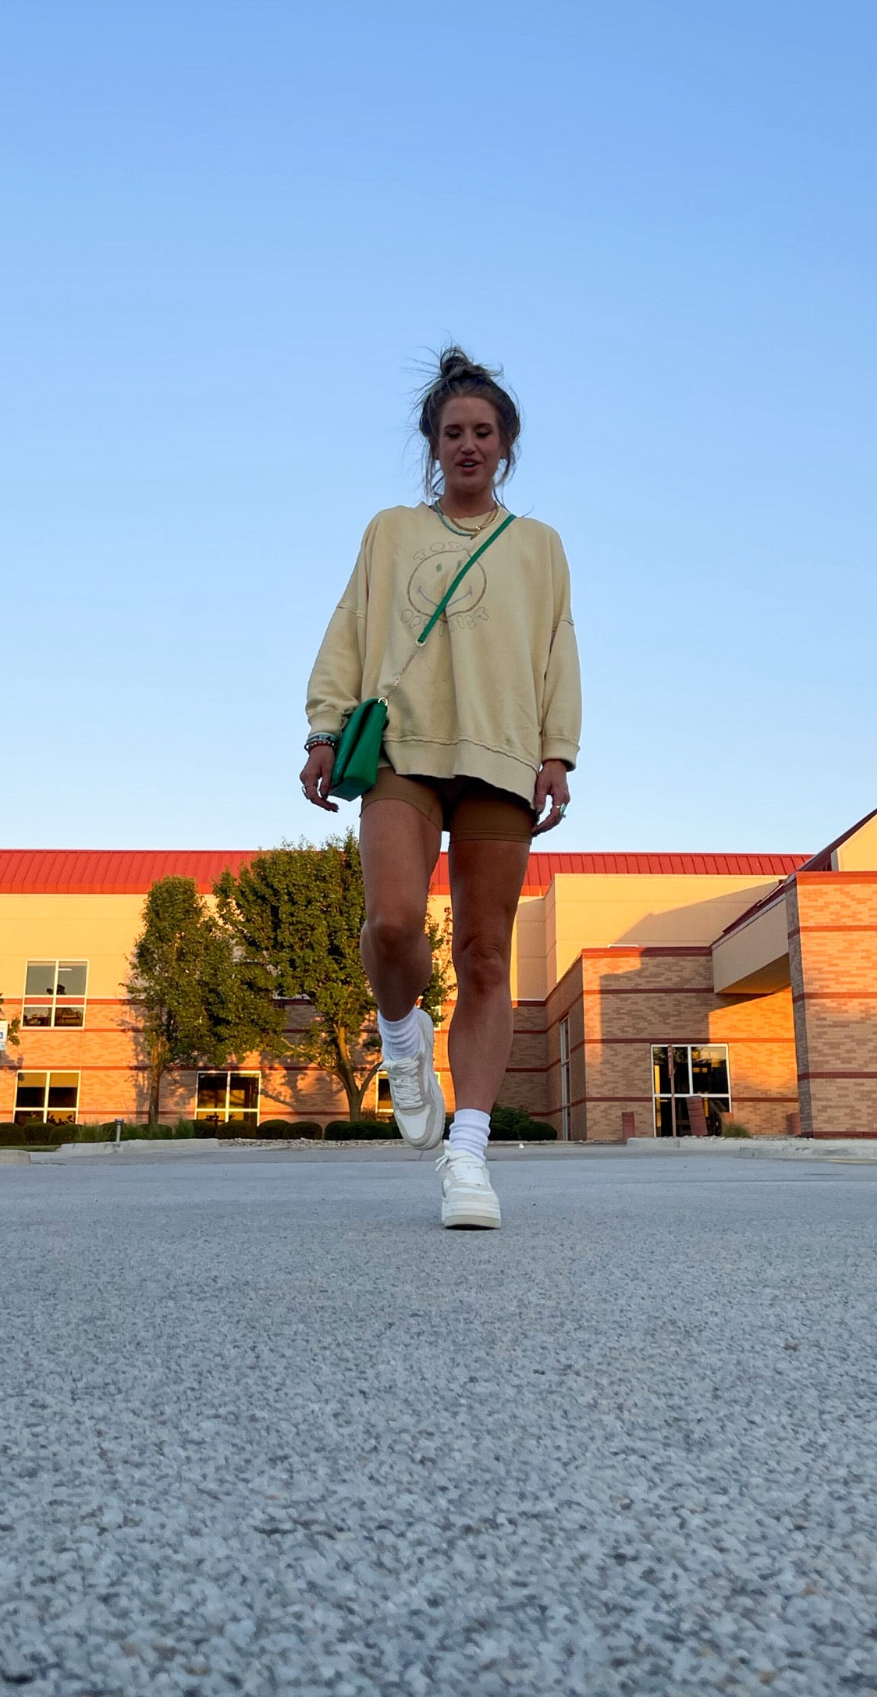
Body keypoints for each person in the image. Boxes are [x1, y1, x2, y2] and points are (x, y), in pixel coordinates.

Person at [300, 348, 581, 1228]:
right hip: (403, 748)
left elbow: (557, 649)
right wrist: (320, 725)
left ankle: (468, 1156)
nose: (468, 445)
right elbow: (349, 625)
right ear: (433, 445)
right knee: (390, 923)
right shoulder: (391, 531)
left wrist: (559, 752)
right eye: (453, 432)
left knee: (487, 957)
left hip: (501, 755)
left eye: (483, 432)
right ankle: (400, 1033)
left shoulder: (540, 545)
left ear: (505, 446)